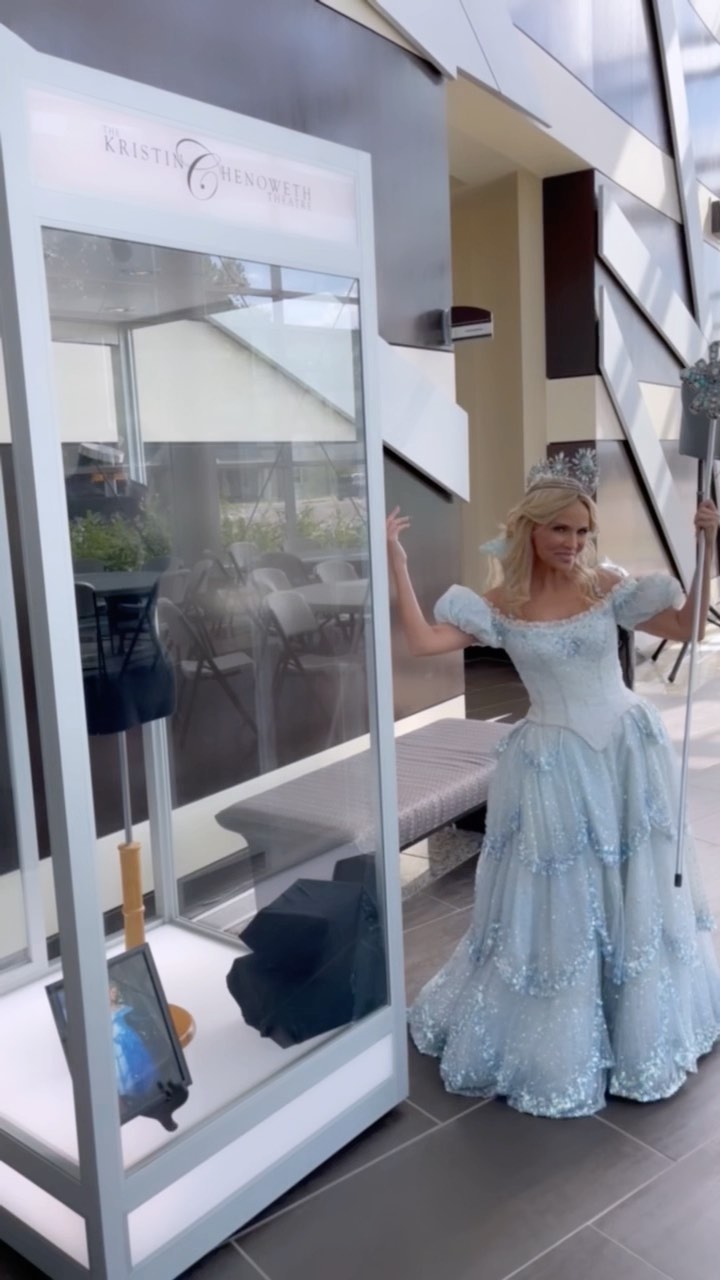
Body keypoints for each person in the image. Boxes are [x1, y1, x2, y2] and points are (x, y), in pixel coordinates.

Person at [386, 463, 720, 1118]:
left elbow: (688, 629)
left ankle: (638, 1024)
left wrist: (710, 547)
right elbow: (425, 642)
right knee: (564, 891)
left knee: (634, 880)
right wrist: (396, 561)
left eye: (583, 531)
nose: (574, 542)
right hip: (552, 761)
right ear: (530, 530)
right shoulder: (499, 603)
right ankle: (566, 1037)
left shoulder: (605, 585)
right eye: (561, 529)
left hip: (626, 746)